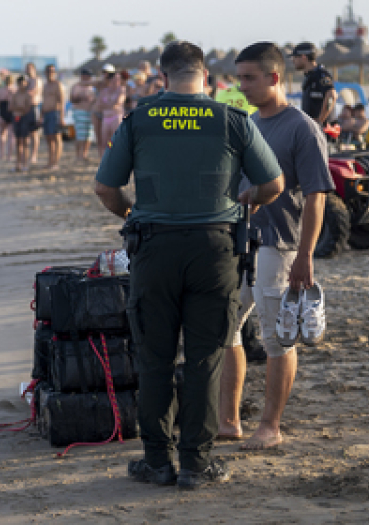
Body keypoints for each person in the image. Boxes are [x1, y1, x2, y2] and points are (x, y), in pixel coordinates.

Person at [94, 41, 285, 490]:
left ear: (163, 78)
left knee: (154, 358)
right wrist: (249, 201)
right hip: (214, 250)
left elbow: (106, 189)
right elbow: (272, 182)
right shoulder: (231, 120)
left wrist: (131, 214)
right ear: (207, 78)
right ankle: (197, 465)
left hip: (154, 249)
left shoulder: (139, 119)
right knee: (205, 358)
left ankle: (157, 462)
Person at [218, 42, 334, 450]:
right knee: (225, 327)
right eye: (239, 78)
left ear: (274, 77)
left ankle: (270, 425)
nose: (242, 86)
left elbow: (318, 195)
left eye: (249, 78)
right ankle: (228, 421)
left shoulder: (302, 127)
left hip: (280, 245)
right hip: (242, 243)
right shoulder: (248, 124)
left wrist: (305, 257)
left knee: (276, 335)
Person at [291, 42, 337, 129]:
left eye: (295, 57)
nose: (293, 60)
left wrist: (320, 121)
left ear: (303, 57)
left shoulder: (321, 75)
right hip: (313, 129)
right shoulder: (309, 76)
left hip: (324, 131)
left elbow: (331, 95)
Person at [94, 68, 127, 156]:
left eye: (118, 79)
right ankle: (106, 158)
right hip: (106, 118)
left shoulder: (121, 89)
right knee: (106, 141)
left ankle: (117, 157)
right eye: (115, 79)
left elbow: (118, 102)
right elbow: (98, 105)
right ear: (110, 79)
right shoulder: (104, 91)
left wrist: (107, 105)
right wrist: (110, 105)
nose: (117, 81)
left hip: (116, 117)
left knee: (116, 140)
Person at [40, 64, 67, 171]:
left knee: (57, 138)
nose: (50, 73)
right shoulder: (45, 85)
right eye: (48, 71)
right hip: (46, 113)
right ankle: (50, 161)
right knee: (49, 138)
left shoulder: (57, 84)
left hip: (55, 113)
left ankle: (55, 162)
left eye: (52, 71)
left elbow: (62, 101)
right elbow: (43, 102)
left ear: (55, 72)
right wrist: (41, 116)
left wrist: (61, 117)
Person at [9, 75, 37, 172]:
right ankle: (18, 164)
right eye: (21, 83)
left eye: (24, 83)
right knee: (18, 142)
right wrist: (20, 108)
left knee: (25, 142)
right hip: (16, 119)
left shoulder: (27, 95)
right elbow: (10, 107)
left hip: (24, 119)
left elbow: (27, 109)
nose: (22, 85)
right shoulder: (15, 95)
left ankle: (25, 163)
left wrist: (18, 108)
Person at [70, 69, 97, 163]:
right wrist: (82, 97)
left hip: (90, 112)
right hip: (79, 111)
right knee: (80, 134)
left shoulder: (92, 87)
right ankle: (78, 155)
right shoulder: (76, 86)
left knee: (88, 135)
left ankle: (84, 154)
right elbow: (72, 99)